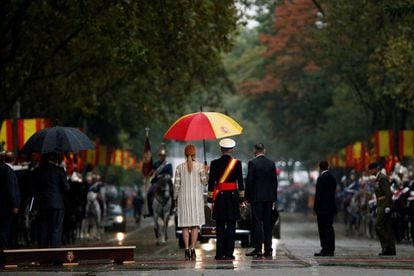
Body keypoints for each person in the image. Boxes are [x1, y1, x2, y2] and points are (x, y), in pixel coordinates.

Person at [207, 138, 244, 260]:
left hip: (220, 197)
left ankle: (219, 253)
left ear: (221, 149)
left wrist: (209, 200)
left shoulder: (214, 163)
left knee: (220, 226)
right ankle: (229, 253)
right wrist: (241, 199)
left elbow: (211, 183)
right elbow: (241, 183)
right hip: (233, 197)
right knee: (232, 226)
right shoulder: (237, 163)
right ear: (232, 149)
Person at [174, 144, 208, 261]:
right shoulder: (199, 166)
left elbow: (176, 186)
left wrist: (175, 198)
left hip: (183, 199)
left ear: (185, 154)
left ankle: (186, 249)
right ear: (194, 154)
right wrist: (206, 171)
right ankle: (193, 248)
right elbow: (204, 182)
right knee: (194, 225)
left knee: (185, 225)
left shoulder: (179, 168)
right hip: (196, 199)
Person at [245, 143, 278, 257]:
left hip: (256, 198)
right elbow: (275, 182)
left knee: (257, 223)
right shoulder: (271, 163)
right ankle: (268, 248)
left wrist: (247, 197)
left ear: (254, 150)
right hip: (269, 198)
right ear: (264, 150)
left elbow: (249, 181)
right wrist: (274, 198)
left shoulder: (252, 163)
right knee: (268, 224)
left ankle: (258, 248)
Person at [33, 152, 70, 248]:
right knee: (56, 230)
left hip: (42, 204)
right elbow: (67, 188)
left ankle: (43, 256)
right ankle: (55, 255)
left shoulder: (38, 171)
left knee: (43, 230)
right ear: (56, 160)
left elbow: (33, 188)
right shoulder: (60, 170)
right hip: (57, 204)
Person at [368, 162, 396, 256]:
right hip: (381, 204)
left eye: (371, 169)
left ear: (375, 169)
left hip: (384, 204)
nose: (370, 171)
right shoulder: (378, 178)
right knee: (387, 227)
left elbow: (387, 193)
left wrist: (388, 206)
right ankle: (390, 249)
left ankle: (386, 246)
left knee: (378, 225)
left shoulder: (382, 178)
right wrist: (378, 205)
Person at [313, 160, 337, 257]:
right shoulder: (332, 178)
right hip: (330, 207)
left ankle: (324, 249)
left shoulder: (321, 178)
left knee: (323, 229)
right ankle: (331, 249)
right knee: (330, 228)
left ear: (320, 167)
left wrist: (315, 208)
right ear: (328, 166)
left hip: (322, 208)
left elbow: (318, 195)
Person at [0, 151, 21, 249]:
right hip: (7, 206)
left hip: (3, 204)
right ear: (14, 159)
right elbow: (11, 189)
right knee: (6, 229)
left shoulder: (2, 169)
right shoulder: (9, 171)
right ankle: (5, 254)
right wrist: (14, 205)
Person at [146, 146, 173, 217]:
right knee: (149, 193)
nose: (162, 157)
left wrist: (166, 176)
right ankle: (150, 211)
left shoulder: (168, 165)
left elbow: (171, 174)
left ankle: (172, 209)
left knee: (173, 192)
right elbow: (152, 172)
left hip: (166, 181)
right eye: (161, 155)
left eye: (163, 156)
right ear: (159, 156)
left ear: (165, 156)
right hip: (157, 182)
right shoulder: (155, 163)